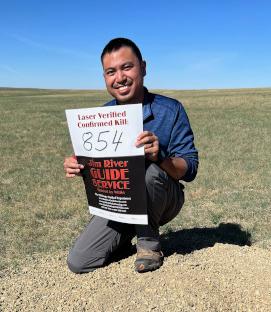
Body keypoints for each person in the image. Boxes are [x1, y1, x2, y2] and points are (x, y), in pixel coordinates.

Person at [64, 38, 198, 274]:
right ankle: (125, 239)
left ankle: (149, 246)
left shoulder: (171, 109)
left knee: (147, 167)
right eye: (110, 72)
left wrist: (160, 157)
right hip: (121, 203)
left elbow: (189, 170)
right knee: (79, 261)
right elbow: (88, 162)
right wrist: (76, 164)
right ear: (104, 77)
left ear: (143, 67)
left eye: (127, 67)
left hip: (164, 198)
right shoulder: (101, 117)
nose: (120, 78)